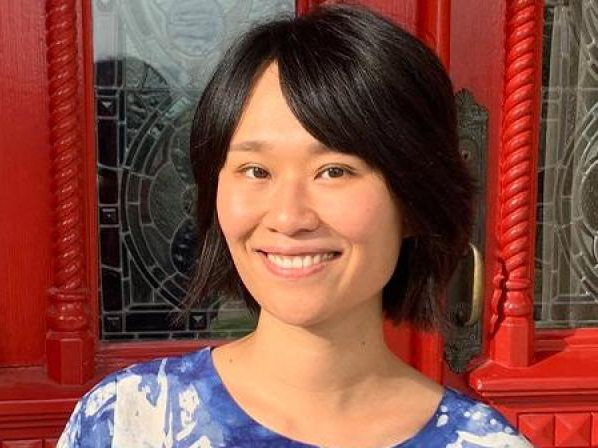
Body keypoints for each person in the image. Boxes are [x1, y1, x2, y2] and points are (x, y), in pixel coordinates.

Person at [57, 4, 534, 447]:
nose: (288, 218)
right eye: (256, 171)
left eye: (334, 171)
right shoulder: (126, 422)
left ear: (411, 201)